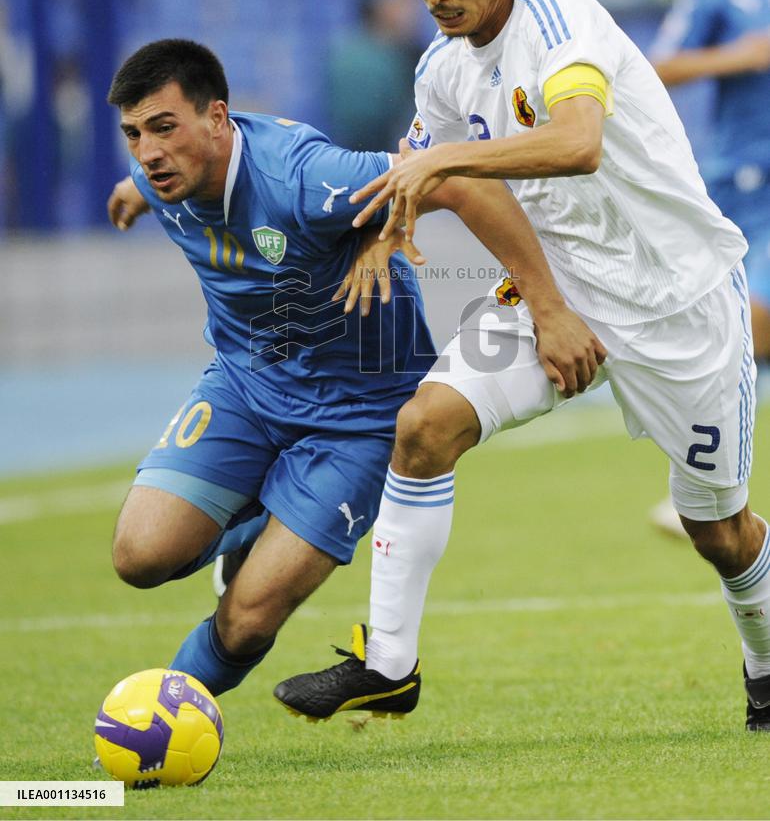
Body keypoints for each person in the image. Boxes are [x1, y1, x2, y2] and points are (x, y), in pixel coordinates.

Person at [272, 0, 770, 732]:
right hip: (559, 282)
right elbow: (448, 180)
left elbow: (575, 142)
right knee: (425, 425)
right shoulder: (442, 69)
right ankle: (389, 663)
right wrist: (400, 223)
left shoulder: (562, 17)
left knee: (718, 531)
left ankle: (766, 662)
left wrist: (439, 163)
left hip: (681, 298)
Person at [103, 37, 602, 700]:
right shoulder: (166, 172)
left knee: (248, 619)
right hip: (246, 388)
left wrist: (548, 308)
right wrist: (133, 192)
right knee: (139, 557)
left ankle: (164, 712)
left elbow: (448, 179)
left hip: (359, 419)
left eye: (163, 128)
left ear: (218, 119)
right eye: (133, 135)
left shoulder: (301, 177)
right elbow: (147, 172)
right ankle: (256, 518)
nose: (148, 151)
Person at [644, 0, 770, 540]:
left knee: (751, 325)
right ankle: (711, 492)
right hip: (735, 195)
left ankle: (714, 494)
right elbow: (655, 67)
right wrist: (736, 57)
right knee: (730, 334)